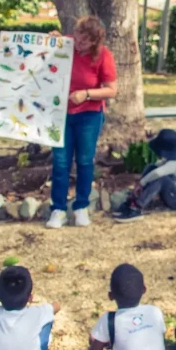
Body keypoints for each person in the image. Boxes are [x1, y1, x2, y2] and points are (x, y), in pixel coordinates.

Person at [47, 17, 119, 229]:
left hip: (89, 114)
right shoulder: (67, 44)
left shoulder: (104, 56)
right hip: (60, 114)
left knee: (85, 161)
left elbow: (112, 90)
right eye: (77, 38)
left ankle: (81, 206)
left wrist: (86, 94)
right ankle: (58, 209)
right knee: (60, 162)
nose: (78, 44)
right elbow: (47, 54)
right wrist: (52, 41)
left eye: (84, 42)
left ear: (95, 42)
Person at [67, 264, 167, 350]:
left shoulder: (109, 319)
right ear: (144, 289)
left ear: (110, 296)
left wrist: (97, 343)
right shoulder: (154, 312)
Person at [114, 129, 176, 223]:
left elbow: (158, 173)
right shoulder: (171, 159)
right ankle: (133, 199)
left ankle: (137, 207)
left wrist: (141, 183)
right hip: (174, 193)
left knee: (161, 178)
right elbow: (155, 168)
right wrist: (142, 182)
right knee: (151, 167)